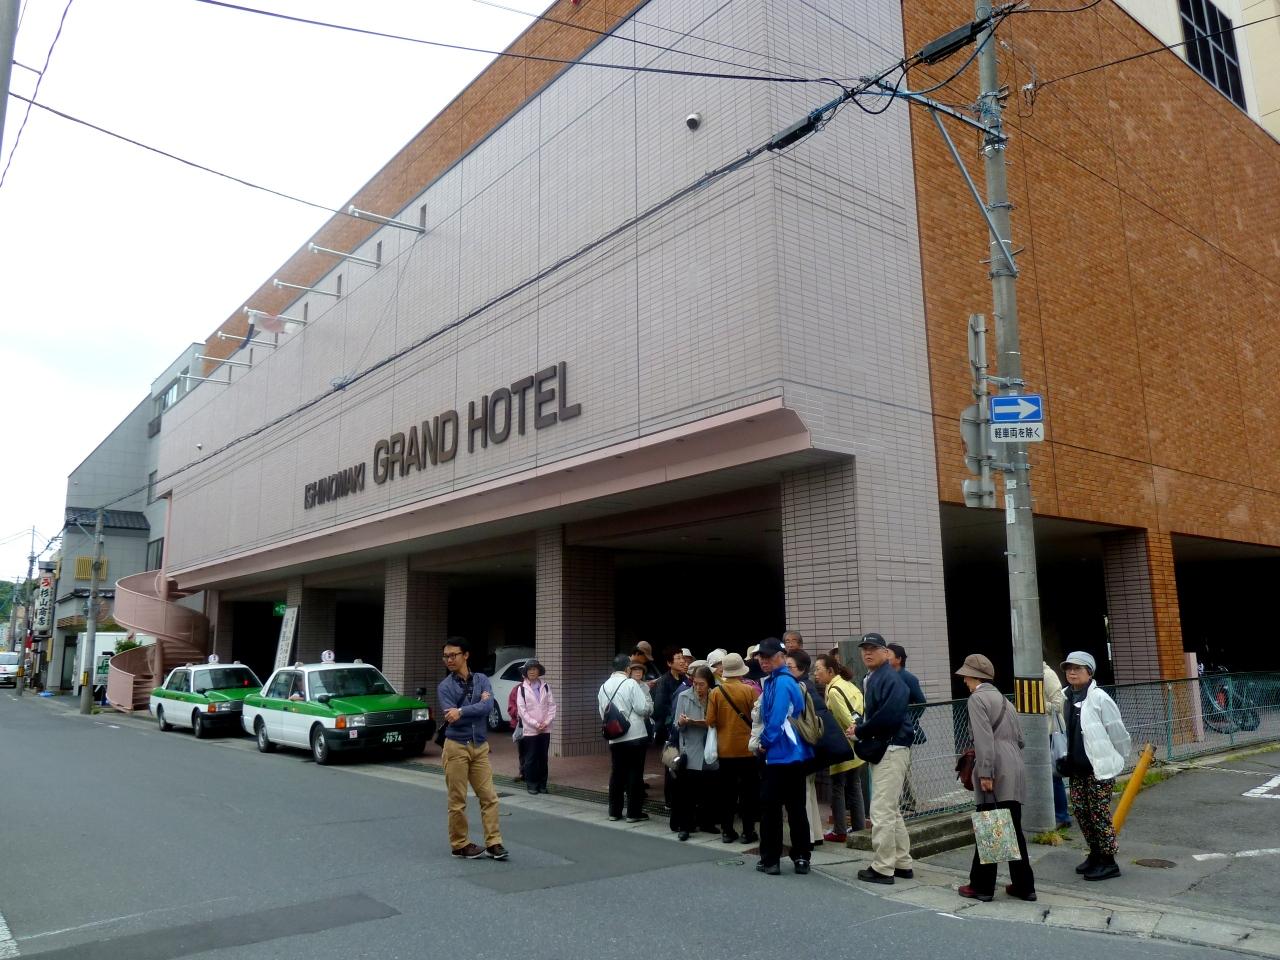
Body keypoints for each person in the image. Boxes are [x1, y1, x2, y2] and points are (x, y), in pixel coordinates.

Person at [954, 654, 1036, 903]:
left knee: (989, 825)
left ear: (973, 676)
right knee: (1012, 826)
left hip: (995, 765)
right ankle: (1024, 886)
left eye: (966, 675)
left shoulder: (977, 699)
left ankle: (982, 887)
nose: (964, 680)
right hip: (1014, 764)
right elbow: (1020, 738)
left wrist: (985, 772)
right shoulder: (1004, 700)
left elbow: (983, 739)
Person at [1059, 650, 1131, 881]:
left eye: (1077, 668)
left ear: (1089, 672)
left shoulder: (1100, 698)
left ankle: (1109, 861)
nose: (1072, 672)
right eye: (1069, 668)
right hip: (1076, 767)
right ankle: (1095, 853)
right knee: (1082, 812)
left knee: (1099, 814)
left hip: (1098, 768)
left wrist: (1118, 757)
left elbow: (1117, 730)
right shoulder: (1064, 697)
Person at [850, 632, 914, 884]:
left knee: (881, 811)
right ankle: (902, 862)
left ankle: (883, 867)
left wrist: (860, 731)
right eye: (864, 648)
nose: (868, 652)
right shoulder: (878, 676)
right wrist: (861, 728)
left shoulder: (888, 678)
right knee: (891, 809)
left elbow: (889, 716)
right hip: (891, 747)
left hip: (891, 747)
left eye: (873, 648)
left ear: (886, 653)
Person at [437, 637, 507, 861]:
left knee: (489, 797)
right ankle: (459, 844)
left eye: (453, 655)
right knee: (457, 800)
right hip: (456, 747)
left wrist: (462, 711)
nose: (449, 660)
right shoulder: (445, 686)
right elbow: (452, 717)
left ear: (466, 655)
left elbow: (487, 707)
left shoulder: (482, 679)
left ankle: (494, 843)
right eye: (446, 656)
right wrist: (477, 704)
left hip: (479, 746)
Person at [755, 638, 813, 876]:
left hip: (779, 754)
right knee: (796, 807)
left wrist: (764, 742)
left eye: (769, 656)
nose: (763, 660)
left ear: (782, 657)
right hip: (796, 753)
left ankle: (771, 859)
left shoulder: (779, 682)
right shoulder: (789, 681)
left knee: (771, 809)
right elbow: (795, 711)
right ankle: (801, 857)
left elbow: (777, 718)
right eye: (761, 656)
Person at [705, 652, 760, 844]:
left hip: (725, 750)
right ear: (741, 671)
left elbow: (710, 720)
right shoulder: (749, 691)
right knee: (748, 793)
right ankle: (748, 832)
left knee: (727, 793)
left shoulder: (716, 692)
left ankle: (727, 831)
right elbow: (758, 718)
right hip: (747, 750)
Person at [812, 654, 866, 840]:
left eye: (818, 669)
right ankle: (859, 828)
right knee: (855, 786)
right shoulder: (848, 684)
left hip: (842, 745)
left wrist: (849, 731)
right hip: (857, 746)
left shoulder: (833, 691)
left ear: (830, 671)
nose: (815, 673)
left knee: (837, 787)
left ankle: (839, 830)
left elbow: (846, 720)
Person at [599, 653, 653, 823]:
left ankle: (614, 812)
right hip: (635, 734)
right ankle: (633, 813)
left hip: (615, 736)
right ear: (627, 668)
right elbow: (642, 708)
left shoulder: (603, 687)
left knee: (617, 773)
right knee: (635, 773)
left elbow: (603, 713)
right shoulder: (630, 683)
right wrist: (649, 707)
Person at [671, 665, 719, 840]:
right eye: (695, 683)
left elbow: (719, 721)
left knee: (709, 789)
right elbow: (676, 725)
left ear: (709, 683)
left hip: (710, 747)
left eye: (702, 684)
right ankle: (685, 826)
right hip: (690, 748)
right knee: (688, 791)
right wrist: (682, 722)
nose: (698, 688)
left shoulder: (715, 695)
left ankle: (707, 822)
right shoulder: (684, 696)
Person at [785, 649, 825, 847]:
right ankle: (816, 834)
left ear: (800, 668)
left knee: (803, 793)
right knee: (809, 790)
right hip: (812, 745)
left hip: (803, 745)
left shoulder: (799, 687)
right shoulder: (809, 686)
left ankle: (806, 837)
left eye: (789, 666)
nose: (786, 669)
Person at [888, 643, 927, 811]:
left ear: (898, 659)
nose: (885, 656)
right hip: (888, 729)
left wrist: (910, 720)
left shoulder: (908, 678)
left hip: (903, 730)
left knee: (904, 765)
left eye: (888, 654)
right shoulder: (885, 676)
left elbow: (921, 702)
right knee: (894, 766)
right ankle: (899, 801)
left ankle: (910, 802)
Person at [514, 659, 556, 796]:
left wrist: (546, 722)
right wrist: (536, 724)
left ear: (539, 671)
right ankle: (532, 784)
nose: (532, 671)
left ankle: (542, 785)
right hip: (530, 730)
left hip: (545, 728)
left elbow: (552, 706)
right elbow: (522, 711)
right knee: (531, 757)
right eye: (529, 669)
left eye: (535, 669)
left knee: (543, 758)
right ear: (525, 672)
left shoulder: (546, 686)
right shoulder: (521, 689)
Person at [1044, 661, 1072, 828]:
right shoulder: (1027, 678)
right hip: (1039, 735)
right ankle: (1054, 815)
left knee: (1054, 776)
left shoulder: (1047, 675)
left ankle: (1062, 816)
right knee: (1045, 778)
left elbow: (1058, 704)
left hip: (1051, 733)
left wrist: (1034, 703)